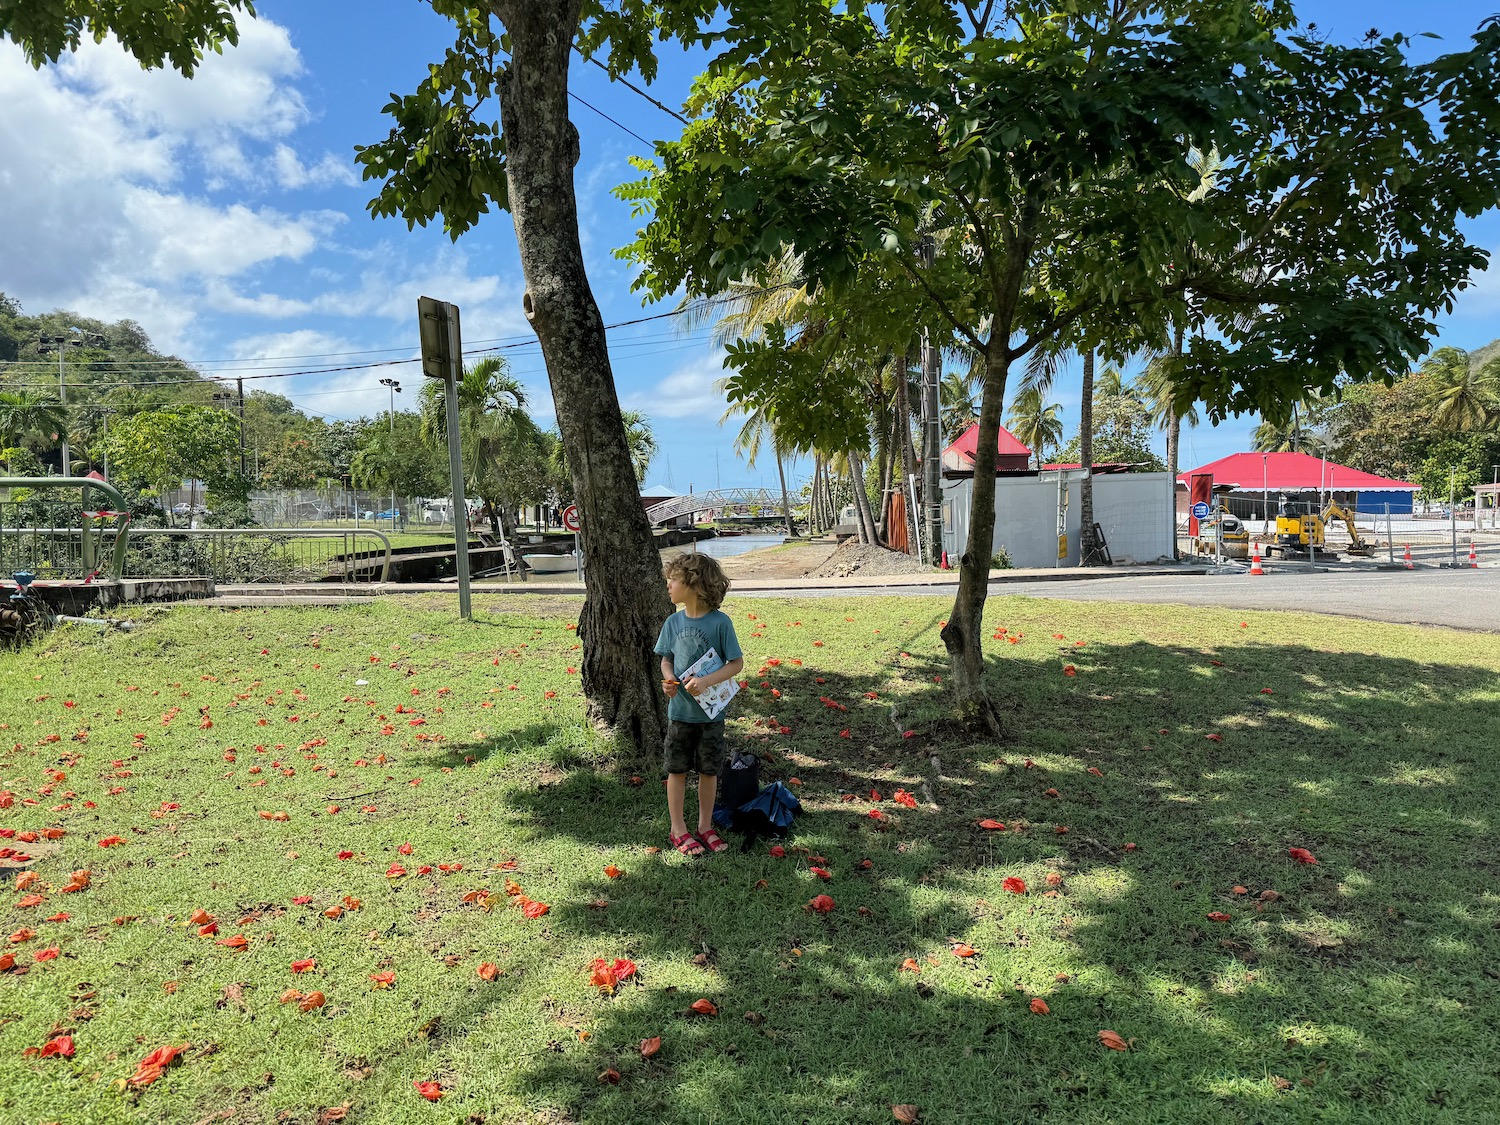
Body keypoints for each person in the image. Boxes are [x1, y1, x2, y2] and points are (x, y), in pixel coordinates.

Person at [654, 552, 744, 856]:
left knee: (709, 770)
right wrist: (669, 680)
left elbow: (736, 664)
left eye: (673, 578)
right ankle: (678, 828)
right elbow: (667, 659)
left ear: (693, 583)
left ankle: (705, 826)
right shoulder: (672, 622)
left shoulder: (720, 623)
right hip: (679, 713)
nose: (668, 584)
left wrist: (706, 681)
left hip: (711, 713)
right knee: (676, 770)